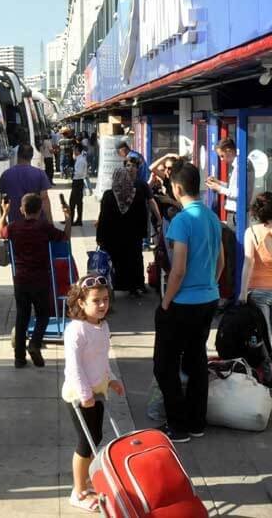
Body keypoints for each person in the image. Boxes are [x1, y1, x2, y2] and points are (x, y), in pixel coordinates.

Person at [153, 162, 223, 443]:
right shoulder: (210, 216)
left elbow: (178, 269)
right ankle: (197, 422)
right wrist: (210, 285)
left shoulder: (182, 221)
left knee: (165, 364)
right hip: (209, 298)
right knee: (196, 359)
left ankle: (177, 426)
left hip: (183, 302)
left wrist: (166, 302)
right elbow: (221, 262)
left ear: (177, 188)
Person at [62, 275, 125, 513]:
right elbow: (74, 367)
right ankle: (77, 492)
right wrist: (85, 393)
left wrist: (111, 380)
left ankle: (86, 481)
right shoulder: (76, 330)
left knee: (96, 437)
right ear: (81, 302)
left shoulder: (102, 325)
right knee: (84, 443)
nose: (102, 305)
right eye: (96, 300)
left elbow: (101, 359)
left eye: (106, 299)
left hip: (97, 391)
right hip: (79, 396)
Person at [5, 193, 72, 368]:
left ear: (22, 209)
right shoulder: (44, 227)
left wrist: (4, 213)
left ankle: (19, 358)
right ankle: (35, 343)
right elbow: (64, 238)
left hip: (20, 279)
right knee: (42, 315)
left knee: (22, 316)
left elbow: (0, 233)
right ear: (40, 209)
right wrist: (68, 218)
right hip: (40, 278)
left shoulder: (13, 227)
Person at [96, 167, 147, 296]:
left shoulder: (109, 195)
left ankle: (112, 288)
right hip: (133, 238)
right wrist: (143, 234)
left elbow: (103, 218)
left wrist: (100, 237)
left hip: (113, 238)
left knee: (114, 262)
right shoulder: (137, 195)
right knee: (133, 261)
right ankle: (134, 287)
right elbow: (143, 216)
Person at [239, 192, 272, 343]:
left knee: (265, 335)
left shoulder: (251, 232)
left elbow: (248, 262)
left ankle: (268, 363)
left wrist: (243, 293)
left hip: (257, 291)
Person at [0, 144, 53, 223]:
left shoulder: (6, 175)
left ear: (18, 155)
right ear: (32, 156)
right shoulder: (40, 174)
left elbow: (3, 202)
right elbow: (44, 199)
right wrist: (50, 222)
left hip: (15, 224)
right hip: (37, 224)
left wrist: (3, 222)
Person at [206, 138, 238, 229]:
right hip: (234, 213)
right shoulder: (237, 166)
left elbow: (238, 193)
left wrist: (219, 188)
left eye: (222, 156)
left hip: (235, 213)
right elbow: (232, 187)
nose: (221, 159)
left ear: (229, 151)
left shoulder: (240, 166)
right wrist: (218, 182)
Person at [69, 144, 87, 226]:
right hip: (77, 182)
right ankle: (74, 219)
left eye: (75, 149)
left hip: (78, 182)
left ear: (78, 150)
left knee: (73, 202)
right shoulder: (79, 158)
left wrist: (72, 173)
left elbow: (79, 173)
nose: (74, 151)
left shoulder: (81, 160)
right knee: (77, 202)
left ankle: (74, 220)